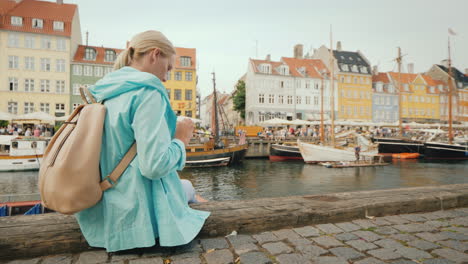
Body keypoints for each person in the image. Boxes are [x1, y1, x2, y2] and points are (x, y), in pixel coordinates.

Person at [75, 30, 210, 253]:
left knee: (187, 187)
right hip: (138, 220)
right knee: (188, 189)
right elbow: (153, 166)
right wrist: (180, 139)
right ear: (155, 54)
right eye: (168, 68)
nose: (166, 77)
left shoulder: (104, 92)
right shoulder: (148, 93)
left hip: (104, 212)